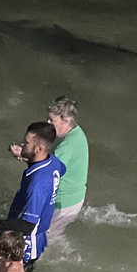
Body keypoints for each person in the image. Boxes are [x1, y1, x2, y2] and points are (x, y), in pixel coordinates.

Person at [0, 121, 64, 272]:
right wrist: (27, 159)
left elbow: (27, 225)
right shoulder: (52, 162)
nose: (23, 145)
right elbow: (62, 170)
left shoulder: (38, 184)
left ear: (39, 148)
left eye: (27, 143)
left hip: (26, 244)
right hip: (39, 237)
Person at [44, 95, 88, 238]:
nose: (48, 122)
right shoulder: (76, 132)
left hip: (63, 203)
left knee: (43, 237)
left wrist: (23, 155)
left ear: (66, 120)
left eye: (52, 120)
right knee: (53, 235)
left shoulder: (67, 145)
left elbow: (46, 171)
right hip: (74, 200)